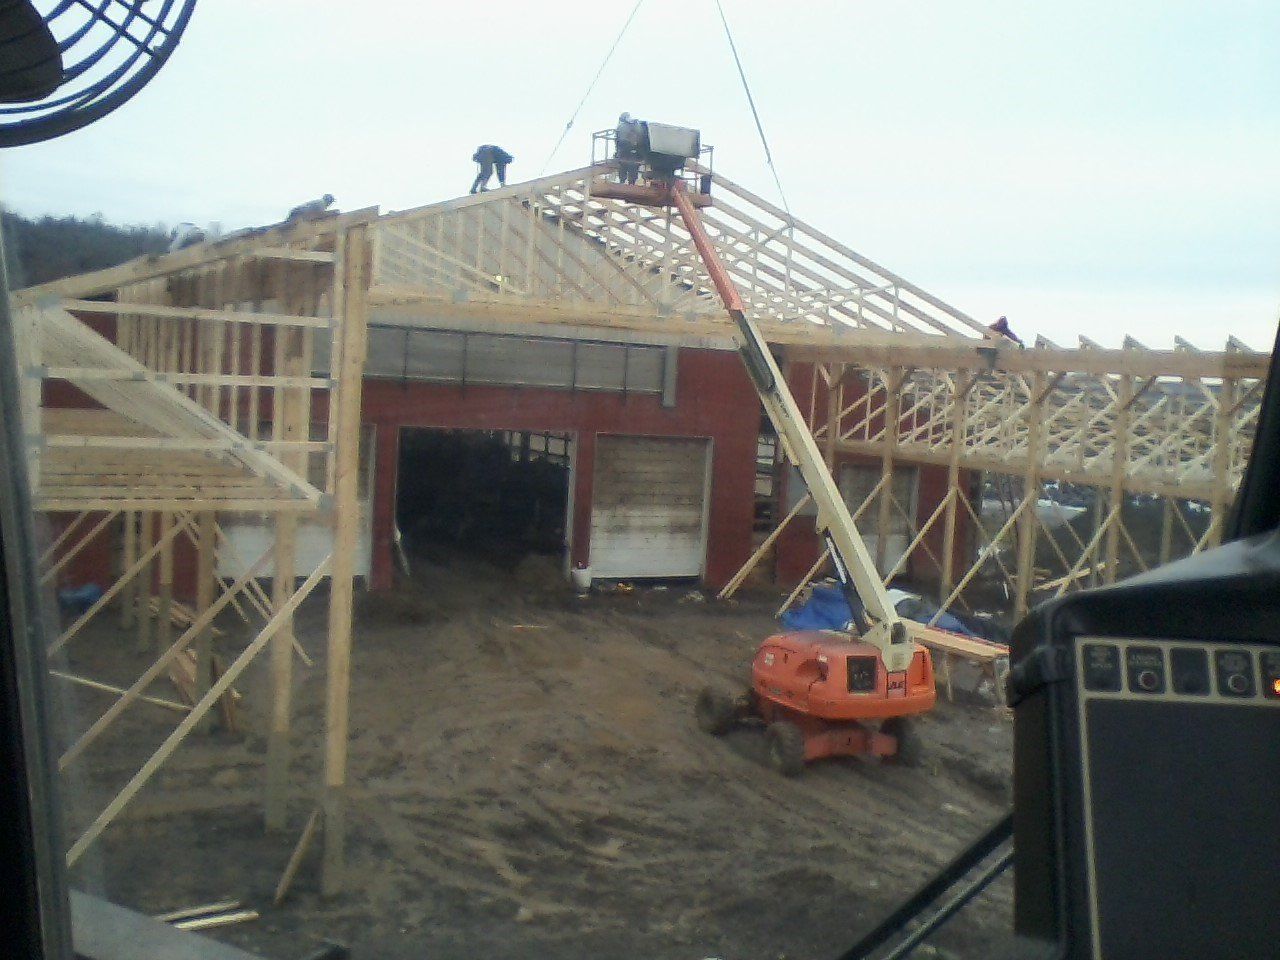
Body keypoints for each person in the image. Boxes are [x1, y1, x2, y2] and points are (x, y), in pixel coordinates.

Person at [614, 112, 645, 185]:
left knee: (625, 165)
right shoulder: (636, 125)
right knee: (630, 165)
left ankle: (624, 181)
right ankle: (629, 181)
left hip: (627, 148)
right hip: (632, 148)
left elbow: (618, 139)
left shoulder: (623, 126)